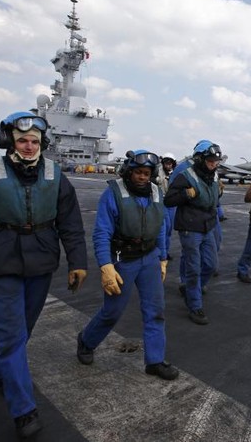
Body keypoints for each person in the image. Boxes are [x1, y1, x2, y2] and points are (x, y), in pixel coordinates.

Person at [0, 111, 87, 438]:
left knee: (22, 330)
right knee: (11, 336)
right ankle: (24, 410)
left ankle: (2, 373)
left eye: (34, 141)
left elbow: (71, 224)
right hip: (2, 261)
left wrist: (77, 262)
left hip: (40, 261)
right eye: (22, 140)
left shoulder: (55, 175)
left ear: (42, 143)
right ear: (9, 140)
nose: (28, 146)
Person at [76, 149, 179, 380]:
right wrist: (106, 265)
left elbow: (160, 226)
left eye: (147, 173)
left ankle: (154, 360)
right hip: (122, 257)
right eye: (138, 172)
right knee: (112, 312)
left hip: (150, 257)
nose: (143, 177)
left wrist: (162, 257)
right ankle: (86, 341)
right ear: (129, 171)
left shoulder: (155, 193)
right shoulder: (112, 194)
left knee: (155, 311)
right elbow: (102, 233)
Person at [164, 140, 222, 325]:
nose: (214, 164)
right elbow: (169, 200)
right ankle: (194, 305)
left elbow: (211, 196)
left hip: (208, 224)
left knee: (211, 265)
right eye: (211, 161)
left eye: (216, 161)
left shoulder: (213, 175)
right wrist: (186, 195)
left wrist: (218, 193)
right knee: (193, 268)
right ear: (201, 159)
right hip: (190, 228)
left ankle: (192, 289)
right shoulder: (185, 175)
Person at [156, 152, 177, 260]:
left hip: (172, 203)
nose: (168, 165)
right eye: (166, 163)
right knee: (164, 228)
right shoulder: (157, 172)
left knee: (169, 230)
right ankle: (161, 253)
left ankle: (165, 251)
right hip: (161, 202)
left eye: (170, 163)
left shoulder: (176, 173)